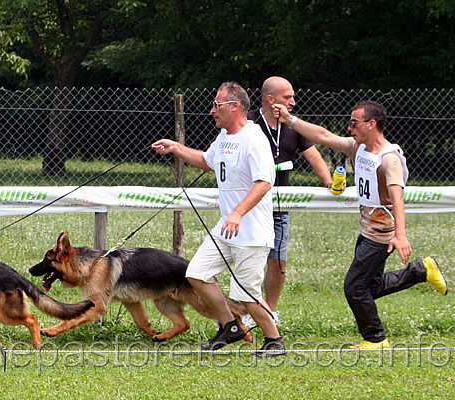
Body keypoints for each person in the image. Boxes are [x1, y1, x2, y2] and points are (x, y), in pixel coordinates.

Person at [273, 100, 448, 349]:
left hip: (381, 234)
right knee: (370, 286)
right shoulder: (358, 147)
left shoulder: (389, 159)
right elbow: (323, 136)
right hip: (367, 230)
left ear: (372, 124)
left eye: (354, 123)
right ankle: (421, 270)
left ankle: (375, 337)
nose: (350, 127)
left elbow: (397, 197)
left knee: (354, 287)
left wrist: (400, 235)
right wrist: (290, 121)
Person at [152, 81, 286, 356]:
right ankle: (229, 325)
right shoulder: (224, 137)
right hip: (226, 227)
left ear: (234, 107)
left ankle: (274, 341)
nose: (212, 110)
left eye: (217, 105)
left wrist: (238, 212)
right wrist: (175, 147)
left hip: (251, 231)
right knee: (197, 274)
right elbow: (206, 160)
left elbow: (263, 183)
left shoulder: (254, 138)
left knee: (246, 294)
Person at [245, 77, 336, 326]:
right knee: (246, 258)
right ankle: (246, 309)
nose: (293, 102)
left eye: (293, 97)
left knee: (278, 260)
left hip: (279, 207)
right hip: (249, 206)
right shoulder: (247, 122)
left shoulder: (293, 126)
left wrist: (329, 182)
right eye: (288, 98)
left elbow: (314, 155)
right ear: (270, 100)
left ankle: (270, 311)